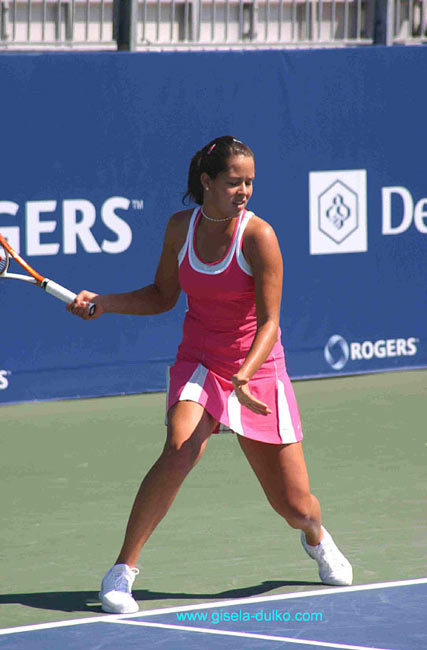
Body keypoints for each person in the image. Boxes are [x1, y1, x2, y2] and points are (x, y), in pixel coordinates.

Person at [68, 135, 353, 614]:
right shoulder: (181, 227)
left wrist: (244, 375)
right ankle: (122, 571)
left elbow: (270, 322)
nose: (244, 191)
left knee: (295, 505)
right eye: (233, 182)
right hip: (199, 361)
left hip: (255, 369)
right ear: (207, 181)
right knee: (179, 451)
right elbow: (162, 296)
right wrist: (105, 302)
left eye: (250, 183)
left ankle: (316, 536)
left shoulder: (258, 235)